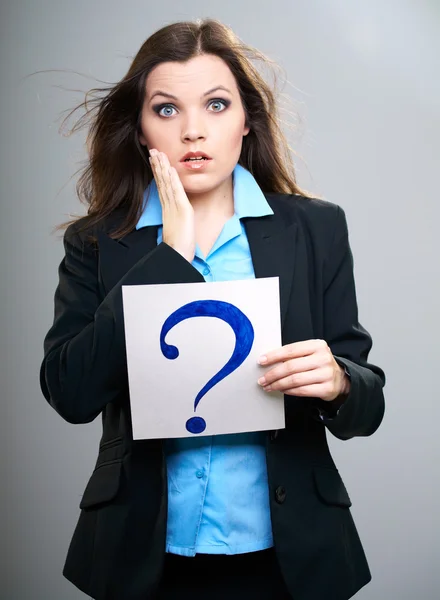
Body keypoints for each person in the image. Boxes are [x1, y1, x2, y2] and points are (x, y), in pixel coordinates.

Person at [40, 17, 385, 600]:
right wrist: (167, 257)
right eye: (167, 109)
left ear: (246, 120)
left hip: (289, 553)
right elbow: (70, 393)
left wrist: (339, 382)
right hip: (143, 555)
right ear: (142, 128)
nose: (193, 130)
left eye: (217, 105)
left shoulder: (315, 228)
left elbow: (368, 404)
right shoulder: (97, 242)